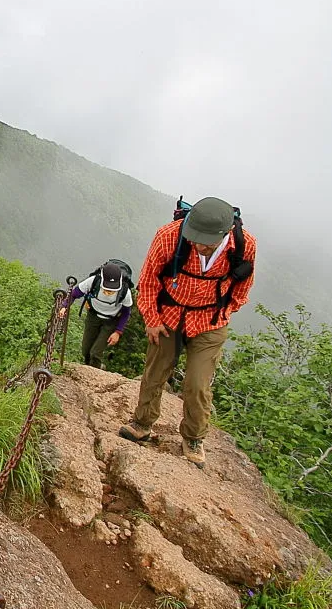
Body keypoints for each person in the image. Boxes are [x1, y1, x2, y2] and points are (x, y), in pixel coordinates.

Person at [118, 197, 256, 469]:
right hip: (168, 315)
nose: (198, 246)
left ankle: (193, 437)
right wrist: (152, 318)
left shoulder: (244, 245)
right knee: (156, 371)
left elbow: (242, 287)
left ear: (225, 234)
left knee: (197, 382)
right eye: (195, 238)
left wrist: (223, 312)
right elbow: (148, 280)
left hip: (210, 321)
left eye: (206, 242)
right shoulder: (169, 236)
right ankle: (142, 423)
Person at [60, 261, 134, 370]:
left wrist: (118, 332)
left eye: (112, 289)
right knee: (86, 350)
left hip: (111, 321)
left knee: (95, 353)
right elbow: (74, 294)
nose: (109, 291)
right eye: (107, 288)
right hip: (93, 316)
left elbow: (126, 312)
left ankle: (94, 372)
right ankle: (88, 368)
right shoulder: (93, 281)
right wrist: (64, 306)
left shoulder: (124, 291)